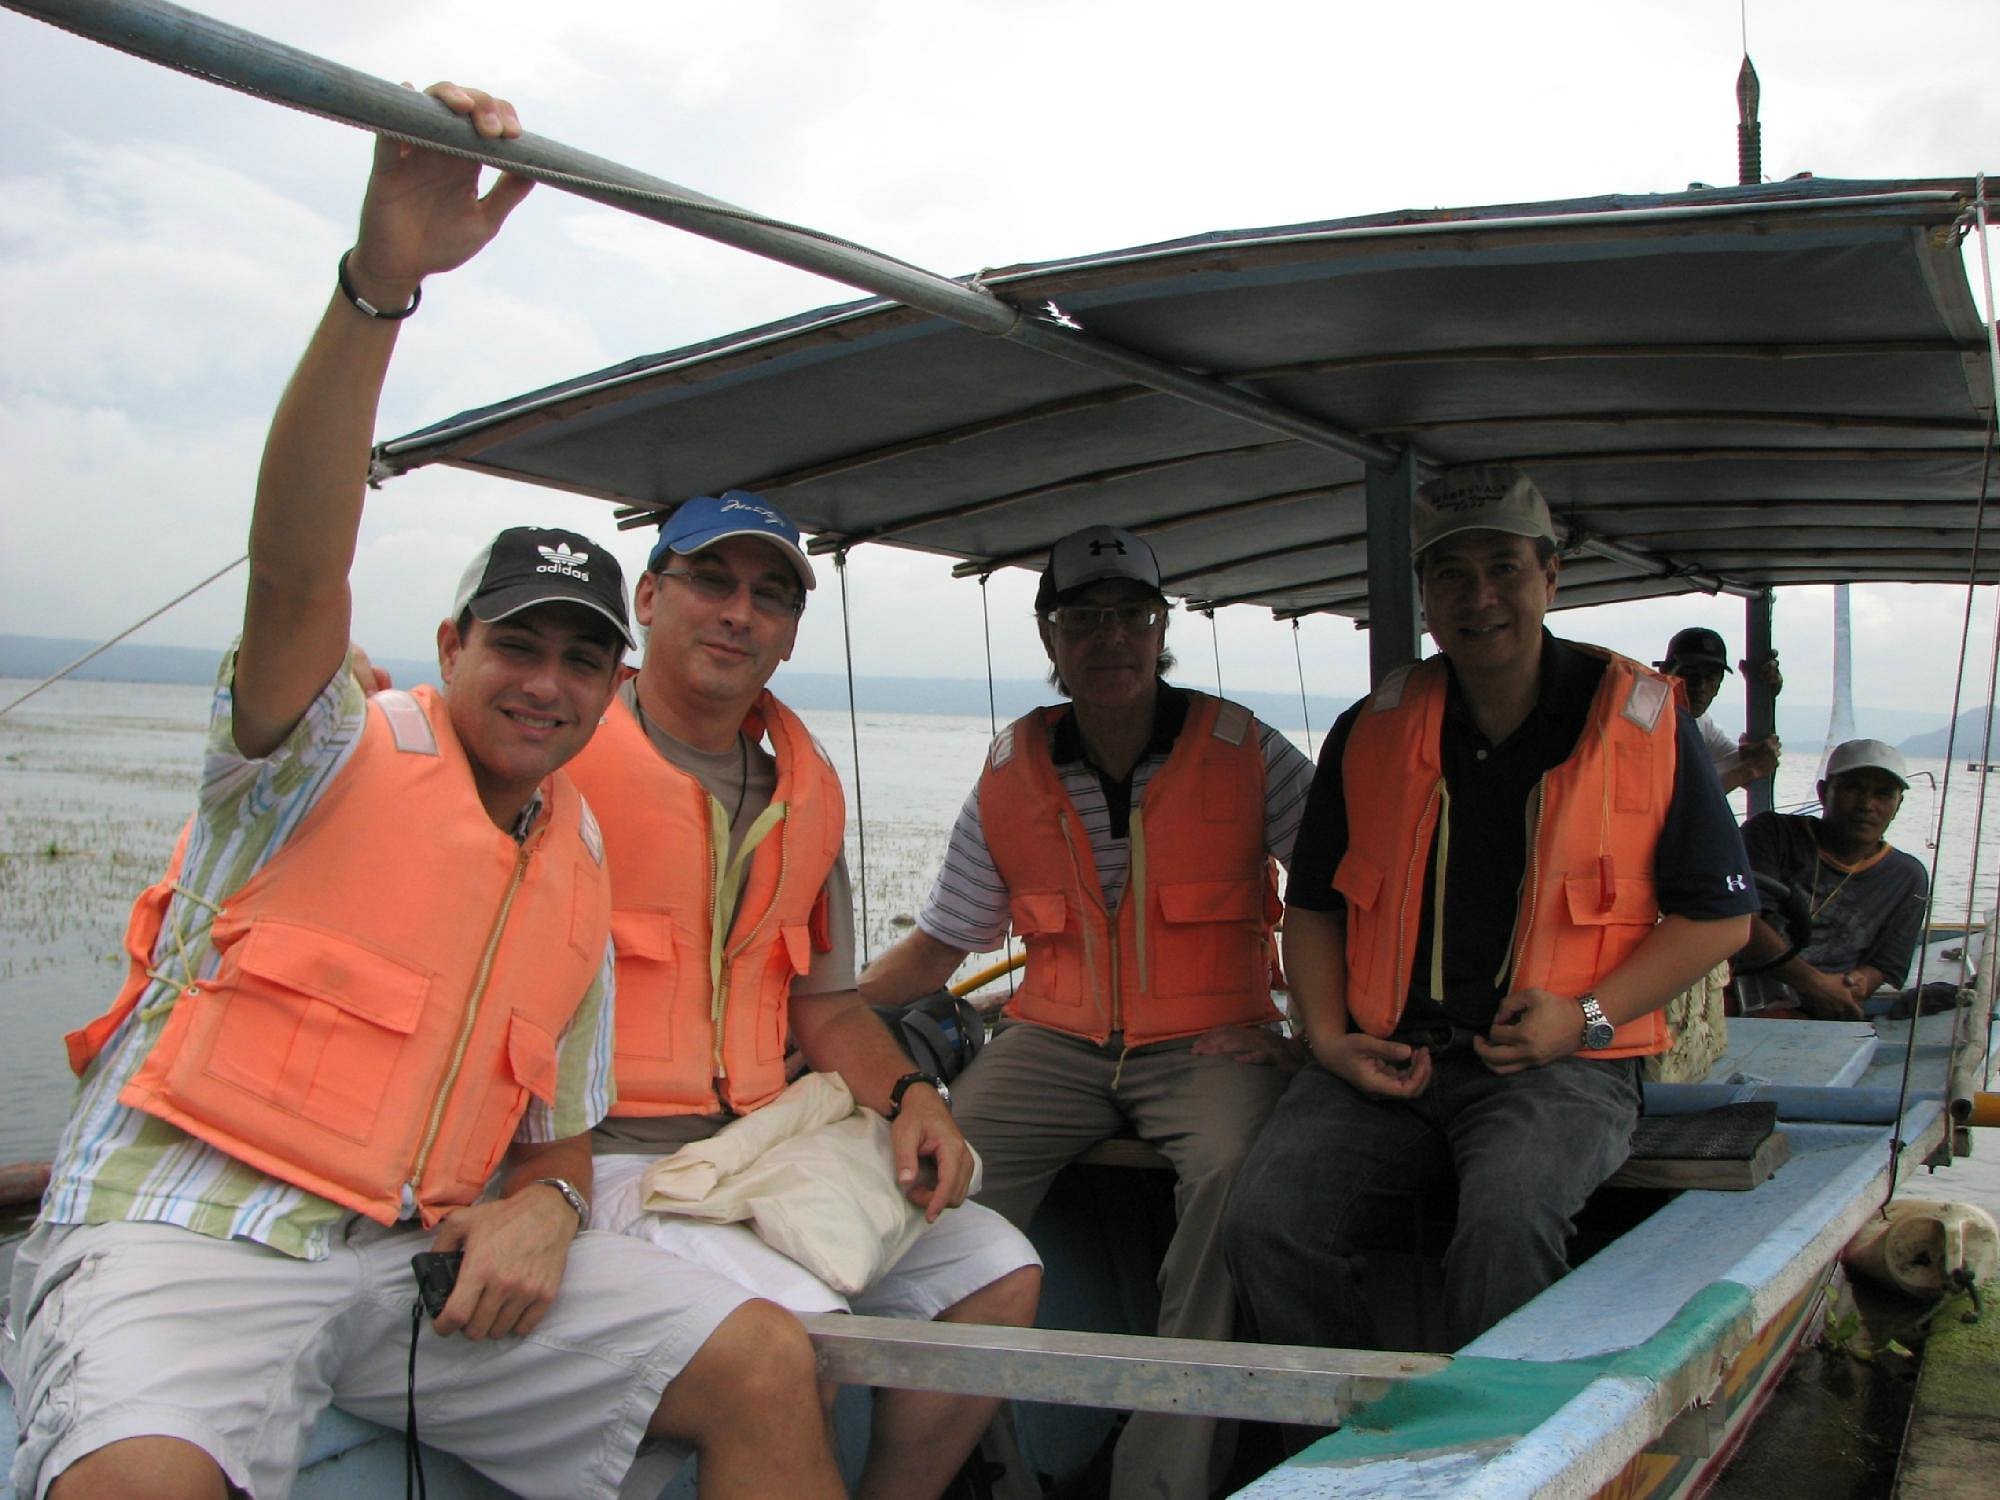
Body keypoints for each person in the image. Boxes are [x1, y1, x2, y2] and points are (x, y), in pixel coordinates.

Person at [8, 85, 855, 1500]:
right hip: (191, 1238)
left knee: (767, 1362)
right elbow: (294, 568)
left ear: (612, 679)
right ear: (450, 646)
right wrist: (378, 287)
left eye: (582, 663)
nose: (547, 685)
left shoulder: (571, 855)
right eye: (514, 644)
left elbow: (566, 1136)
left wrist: (550, 1203)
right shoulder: (315, 752)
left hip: (417, 1265)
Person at [565, 490, 1042, 1500]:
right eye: (711, 581)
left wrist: (915, 1098)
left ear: (786, 638)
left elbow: (824, 1009)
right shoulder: (556, 751)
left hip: (758, 1142)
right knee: (801, 1336)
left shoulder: (801, 792)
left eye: (771, 596)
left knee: (995, 1270)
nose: (740, 612)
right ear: (647, 598)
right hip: (612, 1161)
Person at [1223, 464, 1756, 1362]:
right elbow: (1311, 907)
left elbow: (1718, 920)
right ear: (1425, 594)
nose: (1481, 597)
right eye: (1450, 574)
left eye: (1505, 568)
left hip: (1560, 1069)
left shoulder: (1645, 721)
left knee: (1505, 1227)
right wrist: (1325, 1038)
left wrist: (1580, 1021)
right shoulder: (1375, 728)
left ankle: (1491, 1462)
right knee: (1266, 1226)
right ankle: (1349, 1460)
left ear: (1550, 578)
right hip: (1389, 1058)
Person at [858, 524, 1317, 1500]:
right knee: (933, 1184)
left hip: (1211, 1039)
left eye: (1130, 617)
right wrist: (819, 1015)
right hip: (1052, 1041)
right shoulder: (1010, 769)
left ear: (1160, 632)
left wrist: (1316, 1037)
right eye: (1082, 619)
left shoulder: (1247, 752)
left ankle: (1160, 1481)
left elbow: (1345, 890)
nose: (1108, 639)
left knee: (1233, 1179)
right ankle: (981, 1469)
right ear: (1050, 639)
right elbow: (943, 943)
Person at [1732, 738, 1929, 1020]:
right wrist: (1815, 984)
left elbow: (1886, 963)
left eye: (1883, 795)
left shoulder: (1908, 876)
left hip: (1827, 1009)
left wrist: (1859, 982)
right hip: (1747, 992)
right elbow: (1744, 921)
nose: (1866, 805)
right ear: (1824, 792)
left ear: (1898, 805)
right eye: (1852, 788)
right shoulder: (1771, 833)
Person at [1657, 625, 1783, 794]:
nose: (1700, 686)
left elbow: (1759, 769)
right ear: (1664, 674)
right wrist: (1747, 770)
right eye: (1690, 675)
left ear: (1719, 685)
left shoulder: (1700, 724)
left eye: (1710, 677)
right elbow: (1677, 804)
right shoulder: (1645, 722)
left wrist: (1767, 698)